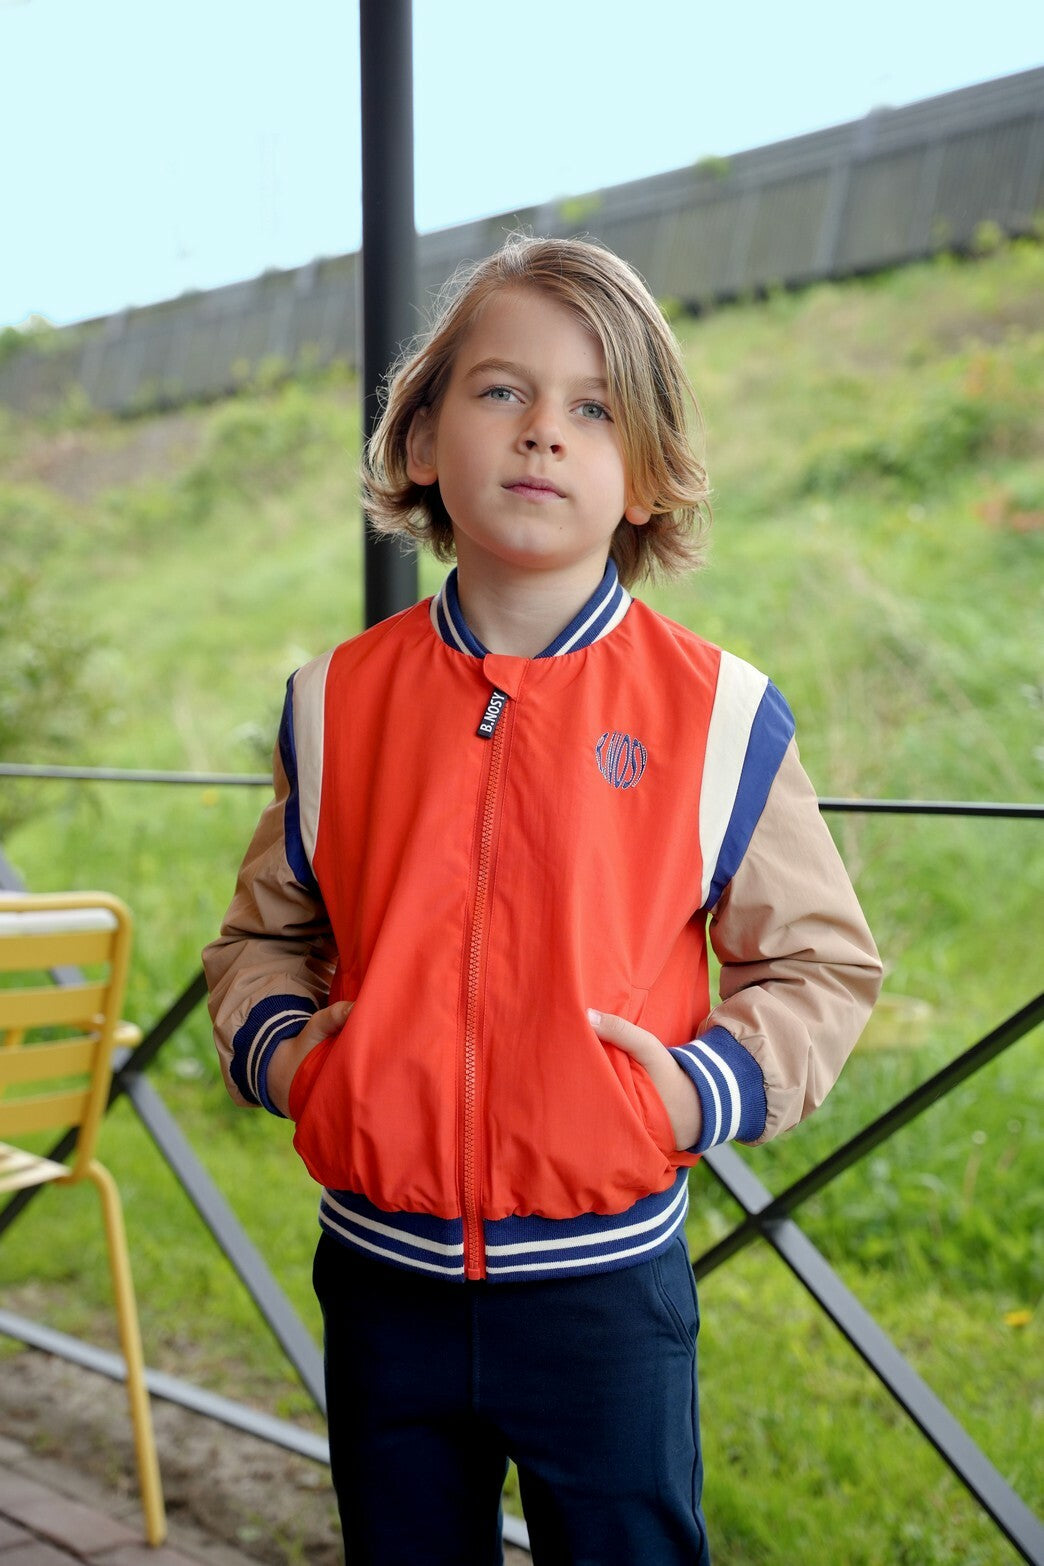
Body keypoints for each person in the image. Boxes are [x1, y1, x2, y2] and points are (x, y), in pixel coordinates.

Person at [203, 233, 882, 1566]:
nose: (543, 432)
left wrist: (695, 1095)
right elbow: (262, 939)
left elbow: (819, 965)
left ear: (648, 473)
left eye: (595, 408)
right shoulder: (332, 702)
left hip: (604, 1289)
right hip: (380, 1281)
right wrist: (289, 1058)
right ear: (420, 440)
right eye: (501, 390)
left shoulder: (719, 713)